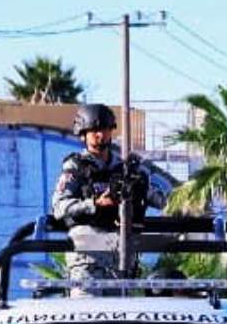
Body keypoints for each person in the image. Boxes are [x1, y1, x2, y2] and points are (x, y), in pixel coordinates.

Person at [52, 102, 164, 284]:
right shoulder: (76, 167)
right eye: (94, 130)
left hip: (121, 258)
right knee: (86, 302)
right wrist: (94, 204)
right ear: (83, 134)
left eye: (105, 129)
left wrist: (187, 205)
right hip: (87, 258)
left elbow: (158, 198)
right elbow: (59, 207)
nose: (100, 135)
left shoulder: (126, 169)